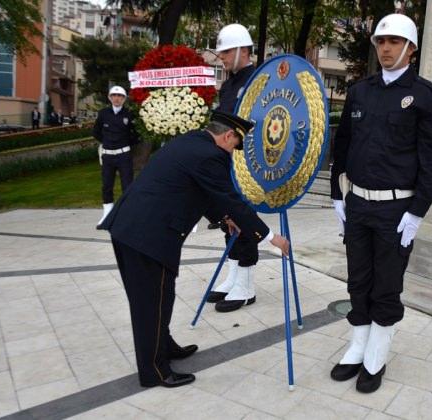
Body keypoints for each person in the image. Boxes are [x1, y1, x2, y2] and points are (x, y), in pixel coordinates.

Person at [99, 110, 290, 388]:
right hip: (147, 236)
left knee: (162, 296)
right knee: (150, 304)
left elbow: (203, 190)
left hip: (134, 228)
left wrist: (224, 218)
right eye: (236, 145)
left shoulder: (190, 142)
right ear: (228, 136)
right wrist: (271, 237)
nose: (234, 151)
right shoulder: (211, 156)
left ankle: (164, 346)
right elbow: (229, 198)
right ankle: (155, 370)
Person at [329, 13, 432, 393]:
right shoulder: (362, 91)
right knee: (358, 279)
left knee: (386, 284)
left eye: (395, 42)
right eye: (381, 42)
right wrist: (337, 193)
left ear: (411, 48)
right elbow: (343, 144)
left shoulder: (426, 96)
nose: (385, 48)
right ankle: (357, 346)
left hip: (397, 209)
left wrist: (417, 212)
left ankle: (376, 354)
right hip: (359, 203)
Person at [204, 23, 261, 313]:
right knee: (228, 219)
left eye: (225, 52)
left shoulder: (259, 80)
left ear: (242, 50)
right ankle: (234, 275)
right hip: (226, 159)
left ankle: (246, 285)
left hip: (248, 163)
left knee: (245, 220)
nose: (222, 58)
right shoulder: (228, 84)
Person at [92, 85, 139, 228]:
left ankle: (128, 215)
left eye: (120, 96)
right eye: (114, 96)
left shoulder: (129, 115)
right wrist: (107, 143)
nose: (117, 98)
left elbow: (135, 136)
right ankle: (107, 214)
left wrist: (123, 144)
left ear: (124, 99)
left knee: (127, 185)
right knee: (107, 185)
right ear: (110, 98)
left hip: (123, 155)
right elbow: (96, 132)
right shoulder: (103, 113)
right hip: (108, 156)